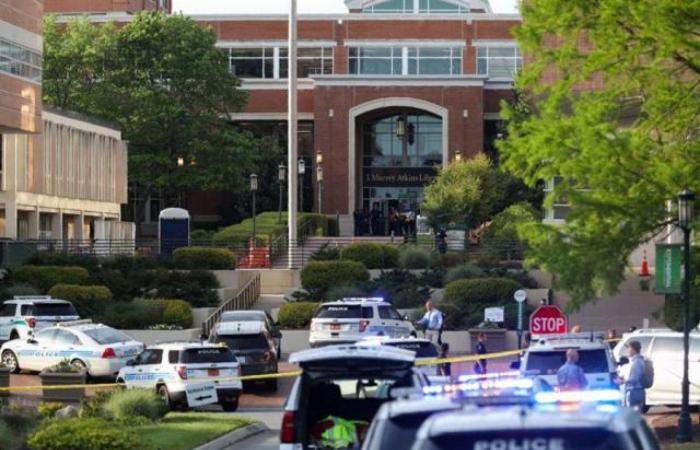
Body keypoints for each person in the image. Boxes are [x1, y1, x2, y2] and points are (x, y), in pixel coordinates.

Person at [622, 340, 646, 410]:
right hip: (638, 391)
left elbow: (634, 379)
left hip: (634, 392)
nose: (627, 350)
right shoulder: (639, 361)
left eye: (629, 348)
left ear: (633, 349)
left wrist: (623, 381)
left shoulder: (637, 362)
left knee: (632, 414)